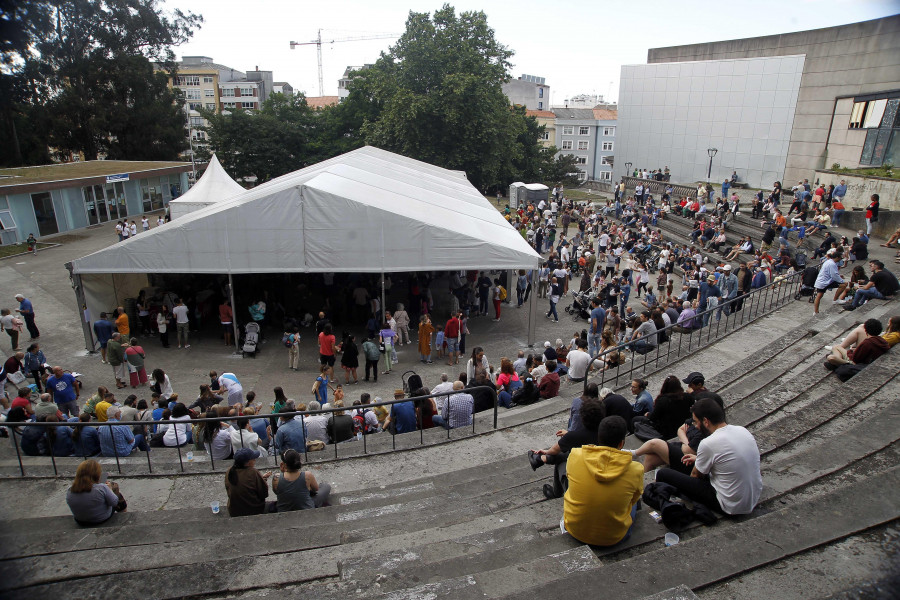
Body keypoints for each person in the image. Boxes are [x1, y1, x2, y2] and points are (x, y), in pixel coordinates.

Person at [655, 397, 762, 515]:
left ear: (705, 421)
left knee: (663, 474)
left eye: (695, 421)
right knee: (687, 460)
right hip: (750, 499)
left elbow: (695, 476)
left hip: (729, 505)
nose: (694, 426)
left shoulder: (708, 443)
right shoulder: (742, 430)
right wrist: (698, 459)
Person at [562, 416, 644, 546]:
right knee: (633, 499)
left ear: (598, 437)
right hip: (614, 538)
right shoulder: (636, 469)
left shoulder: (576, 455)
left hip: (574, 530)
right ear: (622, 443)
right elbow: (634, 499)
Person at [528, 389, 607, 500]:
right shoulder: (606, 433)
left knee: (562, 458)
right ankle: (541, 459)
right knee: (567, 453)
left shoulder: (574, 436)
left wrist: (546, 451)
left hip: (582, 479)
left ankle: (556, 491)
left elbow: (555, 449)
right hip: (601, 469)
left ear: (582, 417)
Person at [66, 460, 126, 524]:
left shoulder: (70, 490)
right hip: (100, 519)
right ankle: (124, 514)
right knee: (116, 491)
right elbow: (114, 502)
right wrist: (110, 489)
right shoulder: (101, 488)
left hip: (80, 521)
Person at [825, 318, 890, 369]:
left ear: (866, 330)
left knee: (831, 357)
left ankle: (837, 363)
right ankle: (837, 362)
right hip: (865, 360)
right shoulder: (882, 341)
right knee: (836, 347)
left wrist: (851, 351)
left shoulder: (867, 343)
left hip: (856, 363)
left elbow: (856, 359)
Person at [224, 448, 272, 517]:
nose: (255, 460)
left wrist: (261, 478)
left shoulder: (229, 471)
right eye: (253, 459)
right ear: (248, 462)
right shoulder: (253, 472)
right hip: (253, 510)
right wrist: (261, 479)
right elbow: (264, 493)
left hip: (234, 510)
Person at [813, 249, 844, 315]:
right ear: (837, 257)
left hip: (823, 281)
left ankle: (816, 312)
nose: (841, 259)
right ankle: (835, 300)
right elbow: (834, 275)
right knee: (843, 285)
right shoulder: (832, 264)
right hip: (826, 281)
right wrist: (841, 281)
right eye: (840, 258)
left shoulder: (828, 262)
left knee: (819, 296)